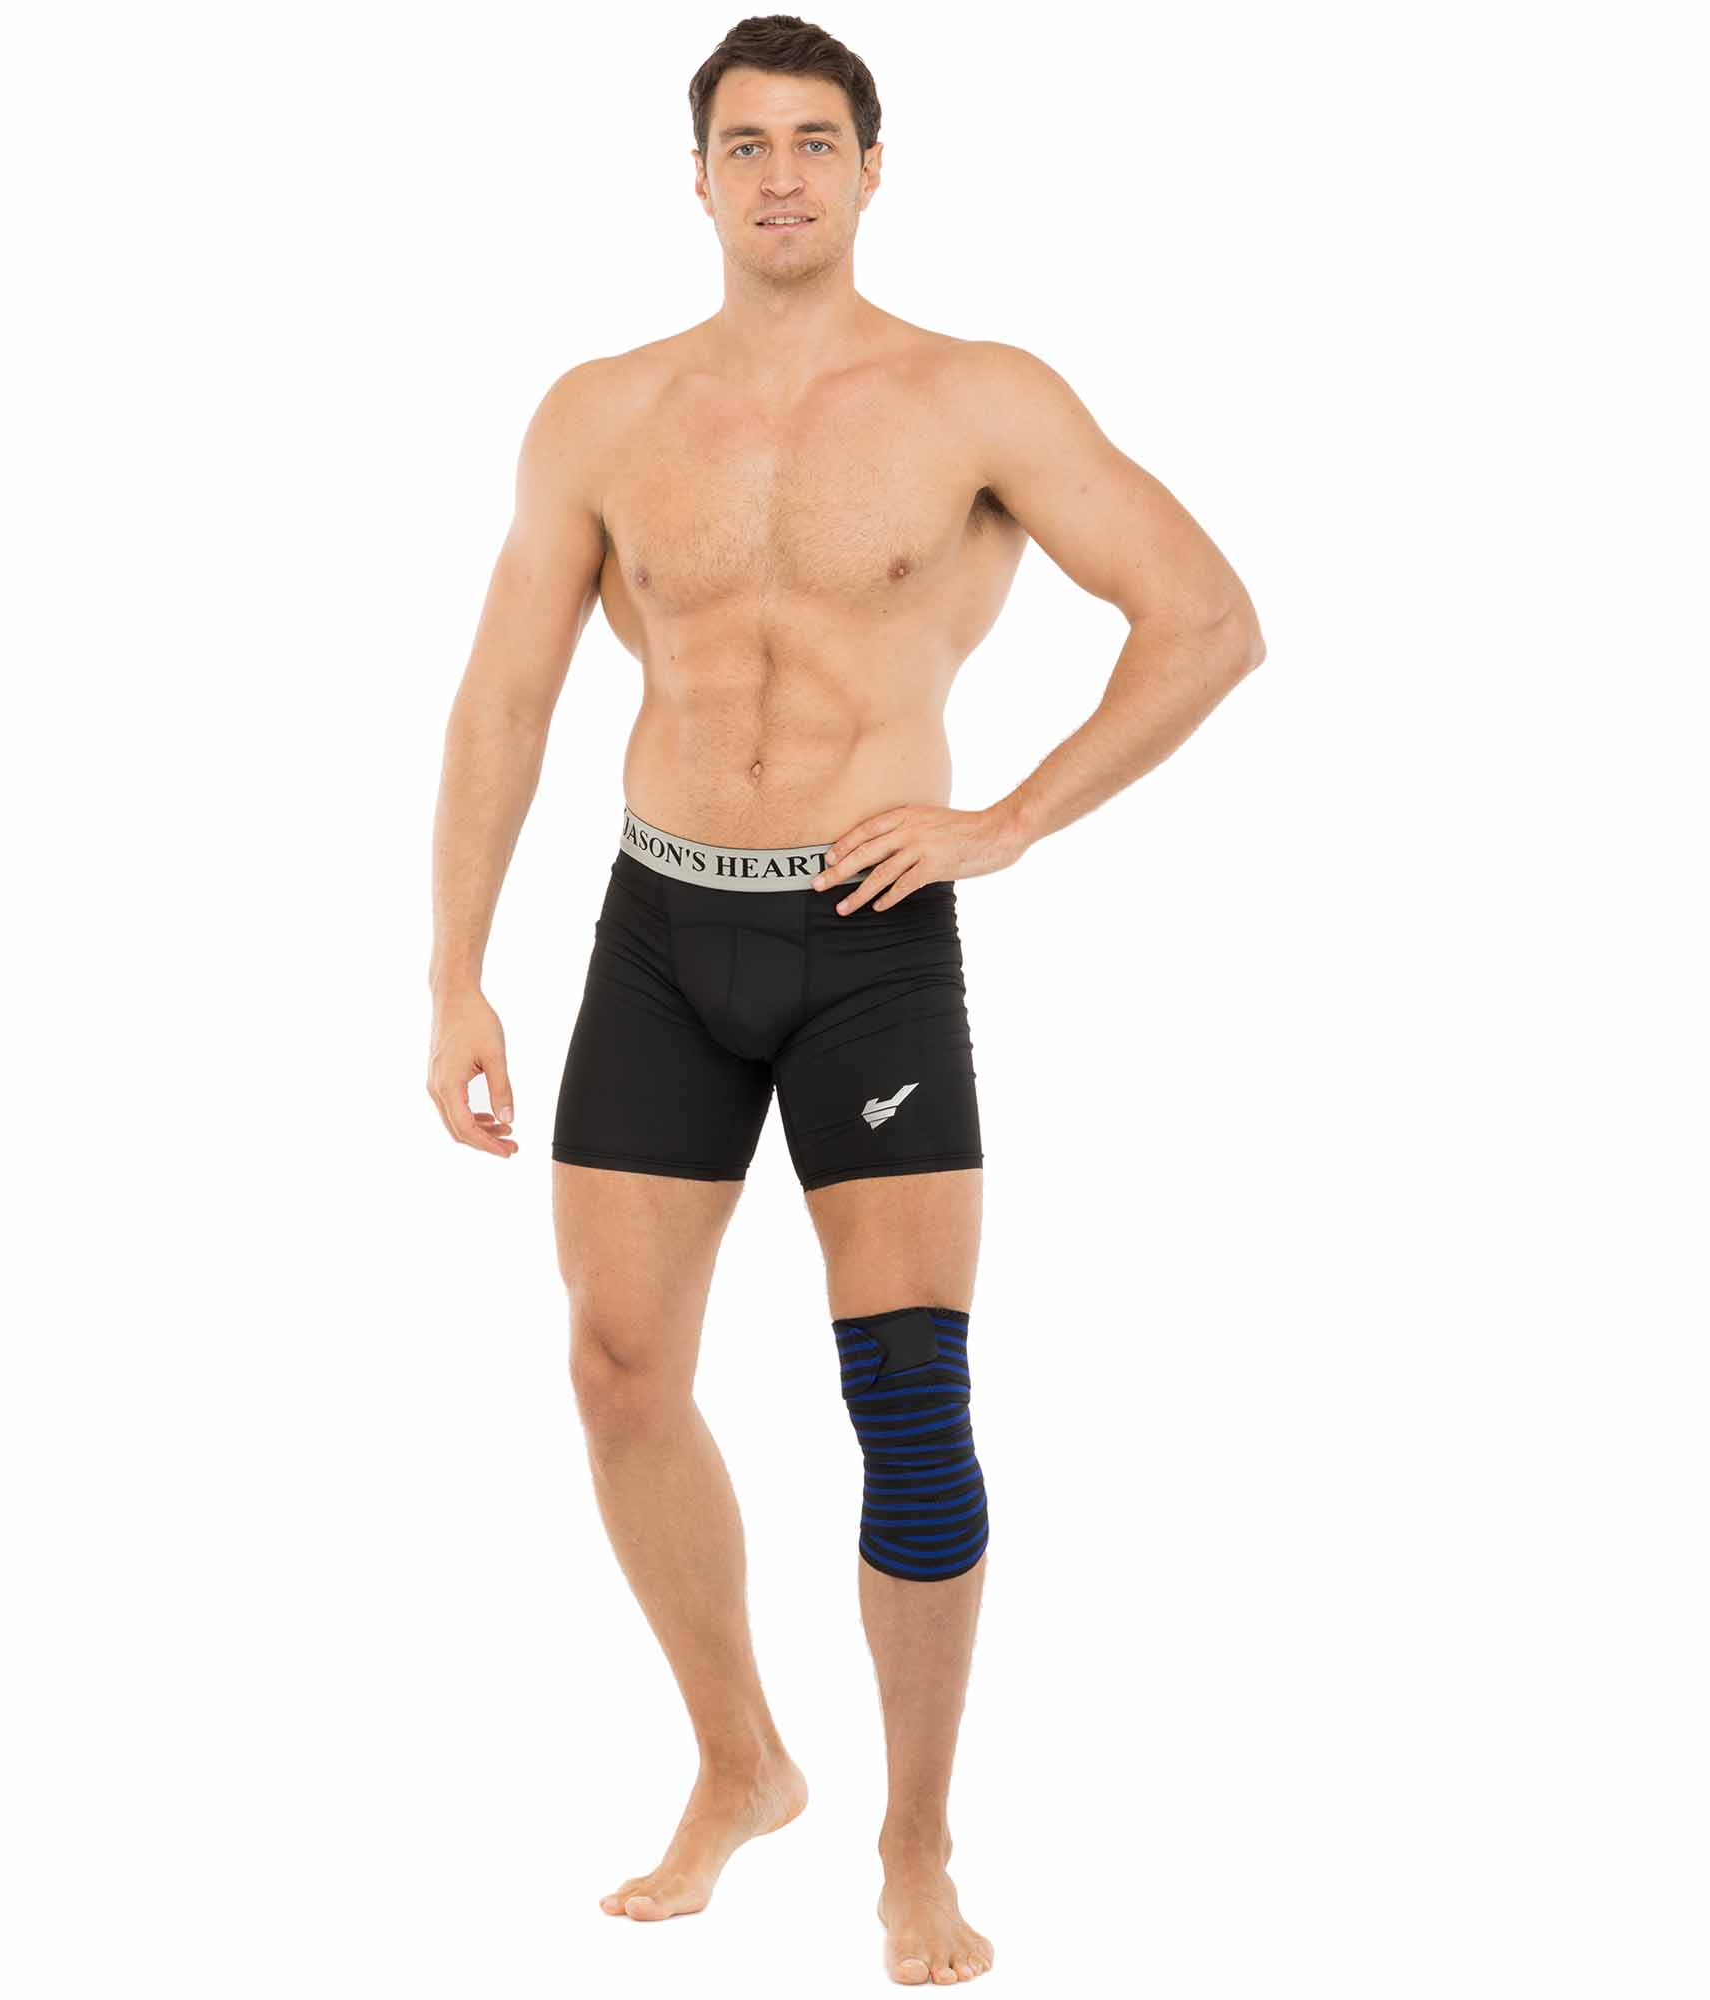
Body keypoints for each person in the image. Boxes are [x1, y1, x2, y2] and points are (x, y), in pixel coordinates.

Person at [427, 15, 1264, 1985]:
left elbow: (1207, 617)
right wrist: (455, 970)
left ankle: (914, 1843)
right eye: (746, 143)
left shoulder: (976, 397)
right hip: (659, 931)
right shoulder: (599, 414)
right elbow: (508, 700)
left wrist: (1010, 820)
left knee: (908, 1402)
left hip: (868, 943)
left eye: (816, 139)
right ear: (697, 178)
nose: (782, 173)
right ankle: (741, 1763)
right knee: (617, 1368)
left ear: (873, 169)